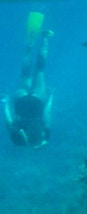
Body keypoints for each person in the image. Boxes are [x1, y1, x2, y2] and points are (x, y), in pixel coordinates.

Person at [4, 14, 54, 148]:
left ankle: (44, 37)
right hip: (20, 103)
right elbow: (8, 120)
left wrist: (51, 97)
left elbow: (46, 114)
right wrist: (4, 103)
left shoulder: (46, 137)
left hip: (37, 104)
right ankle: (29, 46)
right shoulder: (17, 139)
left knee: (40, 70)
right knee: (25, 75)